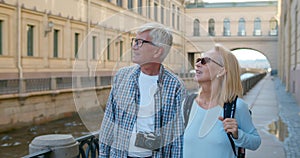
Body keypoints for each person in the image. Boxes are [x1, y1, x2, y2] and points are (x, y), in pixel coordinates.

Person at [99, 22, 186, 158]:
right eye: (134, 41)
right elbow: (109, 121)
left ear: (158, 51)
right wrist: (103, 155)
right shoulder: (122, 76)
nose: (134, 47)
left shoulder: (175, 86)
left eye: (140, 42)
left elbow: (177, 137)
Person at [183, 43, 261, 158]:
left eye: (205, 61)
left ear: (222, 71)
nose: (198, 64)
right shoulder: (187, 103)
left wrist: (237, 134)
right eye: (199, 60)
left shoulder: (236, 107)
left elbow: (256, 142)